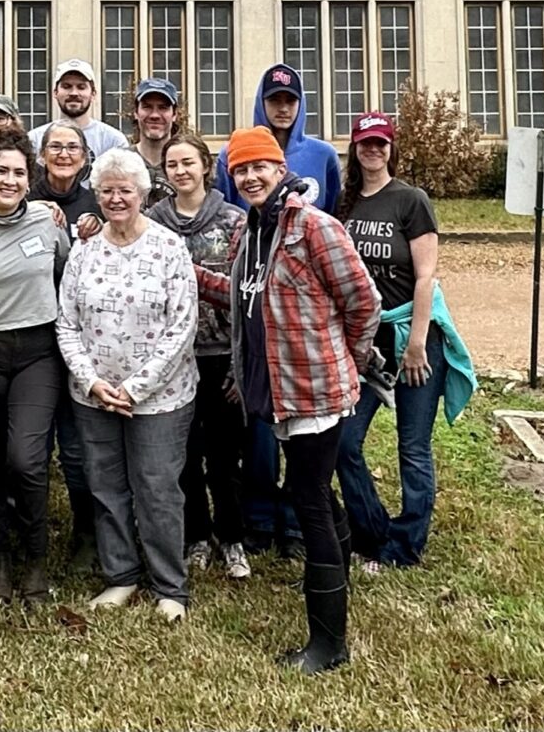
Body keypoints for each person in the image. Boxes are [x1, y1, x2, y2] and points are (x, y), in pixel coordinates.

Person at [209, 127, 380, 674]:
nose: (251, 176)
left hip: (317, 390)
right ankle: (343, 578)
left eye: (260, 166)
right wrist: (184, 270)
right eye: (241, 170)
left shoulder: (313, 227)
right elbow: (242, 295)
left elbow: (363, 301)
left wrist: (345, 362)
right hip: (279, 388)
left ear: (280, 168)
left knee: (306, 499)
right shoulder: (249, 233)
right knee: (312, 490)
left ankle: (328, 644)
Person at [56, 148, 198, 624]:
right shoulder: (84, 250)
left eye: (126, 191)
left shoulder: (168, 248)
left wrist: (135, 387)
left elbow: (182, 327)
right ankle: (121, 575)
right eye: (107, 191)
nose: (117, 199)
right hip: (93, 396)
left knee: (157, 487)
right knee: (106, 486)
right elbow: (66, 324)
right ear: (97, 195)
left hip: (160, 397)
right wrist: (92, 382)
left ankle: (169, 585)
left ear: (143, 194)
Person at [335, 111, 476, 569]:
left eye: (381, 143)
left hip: (412, 337)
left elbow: (426, 277)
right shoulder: (346, 202)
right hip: (366, 345)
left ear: (391, 148)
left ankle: (407, 544)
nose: (372, 151)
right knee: (343, 442)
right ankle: (373, 531)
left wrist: (416, 342)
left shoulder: (410, 200)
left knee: (412, 445)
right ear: (354, 149)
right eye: (365, 143)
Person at [217, 63, 342, 557]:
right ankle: (261, 519)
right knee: (262, 431)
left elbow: (353, 291)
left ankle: (299, 526)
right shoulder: (237, 153)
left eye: (290, 99)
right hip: (255, 309)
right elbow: (239, 220)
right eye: (274, 98)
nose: (283, 106)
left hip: (305, 324)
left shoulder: (321, 157)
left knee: (308, 445)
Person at [0, 131, 69, 604]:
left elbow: (70, 273)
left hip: (37, 352)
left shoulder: (48, 223)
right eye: (1, 171)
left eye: (19, 173)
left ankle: (36, 558)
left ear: (32, 179)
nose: (10, 179)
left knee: (26, 458)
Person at [149, 131, 249, 582]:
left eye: (188, 162)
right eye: (172, 165)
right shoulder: (154, 222)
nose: (181, 171)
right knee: (184, 455)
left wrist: (240, 360)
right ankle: (196, 536)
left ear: (206, 167)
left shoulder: (234, 222)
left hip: (220, 354)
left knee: (224, 457)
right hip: (173, 358)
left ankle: (232, 539)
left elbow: (248, 297)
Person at [30, 119, 98, 565]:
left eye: (72, 147)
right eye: (55, 146)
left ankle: (86, 530)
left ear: (85, 155)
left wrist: (102, 224)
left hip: (84, 339)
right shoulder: (24, 196)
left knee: (76, 446)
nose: (63, 154)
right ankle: (27, 531)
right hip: (33, 335)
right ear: (41, 155)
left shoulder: (97, 202)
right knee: (32, 445)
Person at [215, 64, 341, 213]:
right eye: (275, 100)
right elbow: (224, 214)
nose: (283, 109)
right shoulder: (232, 153)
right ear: (261, 103)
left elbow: (335, 214)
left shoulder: (324, 155)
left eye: (291, 100)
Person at [28, 59, 127, 161]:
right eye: (66, 86)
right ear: (55, 92)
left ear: (93, 94)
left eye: (81, 87)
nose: (74, 93)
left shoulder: (113, 141)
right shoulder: (35, 140)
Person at [128, 78, 181, 203]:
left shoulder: (187, 164)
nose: (154, 115)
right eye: (147, 107)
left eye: (163, 108)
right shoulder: (120, 162)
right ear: (136, 112)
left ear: (174, 115)